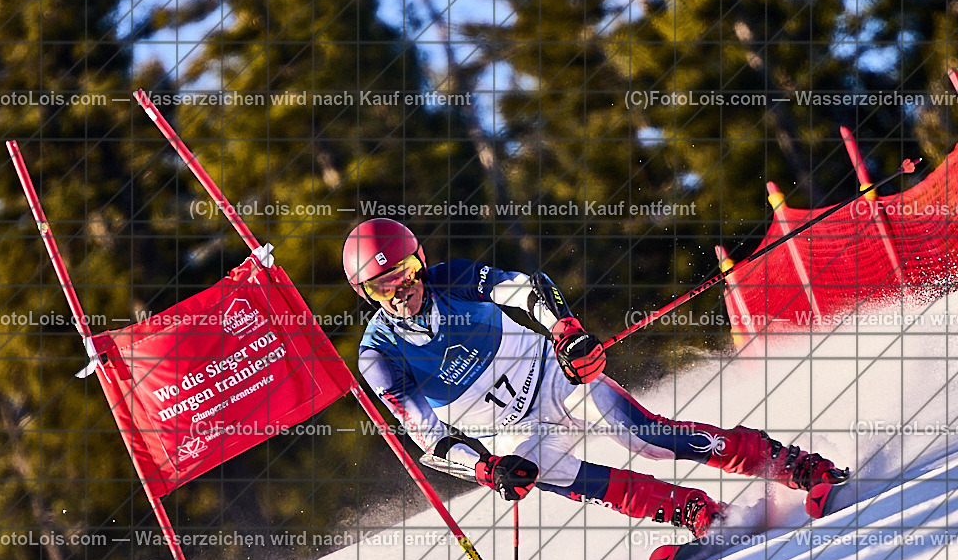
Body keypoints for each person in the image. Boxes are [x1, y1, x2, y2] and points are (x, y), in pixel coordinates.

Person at [344, 218, 850, 540]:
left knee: (647, 437)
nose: (401, 289)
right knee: (576, 478)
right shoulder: (379, 356)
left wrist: (566, 333)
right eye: (382, 284)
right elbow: (430, 441)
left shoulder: (451, 277)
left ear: (421, 262)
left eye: (407, 271)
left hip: (551, 375)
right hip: (506, 434)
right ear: (365, 292)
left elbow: (525, 290)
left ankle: (795, 465)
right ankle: (696, 513)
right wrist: (487, 469)